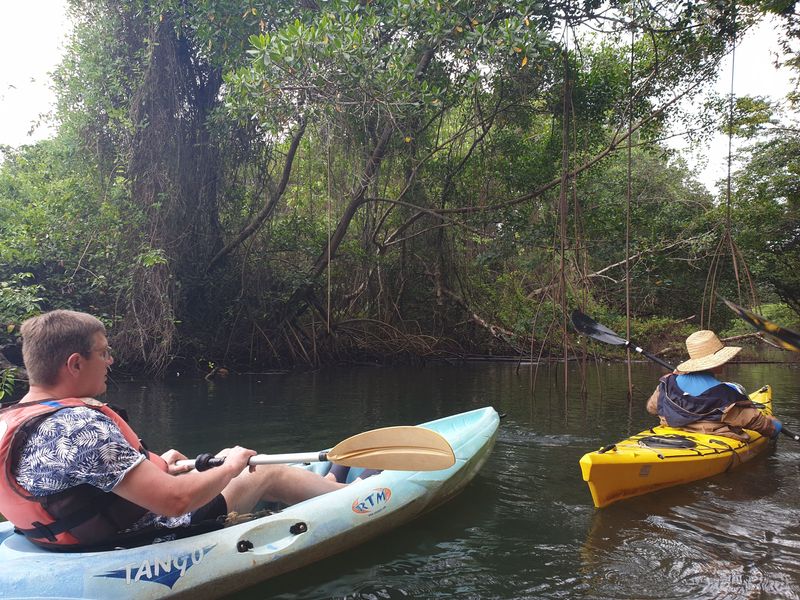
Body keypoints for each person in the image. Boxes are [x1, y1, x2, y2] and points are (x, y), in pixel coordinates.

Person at [0, 310, 346, 551]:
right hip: (134, 537)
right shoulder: (78, 427)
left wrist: (155, 465)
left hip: (62, 539)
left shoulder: (14, 418)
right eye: (104, 353)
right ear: (75, 363)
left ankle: (321, 486)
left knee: (215, 464)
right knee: (260, 472)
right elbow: (174, 503)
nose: (111, 361)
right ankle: (344, 494)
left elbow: (74, 484)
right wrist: (231, 467)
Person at [646, 329, 781, 441]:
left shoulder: (668, 381)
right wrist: (774, 427)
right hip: (710, 435)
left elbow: (652, 408)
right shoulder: (726, 394)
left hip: (671, 430)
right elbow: (754, 421)